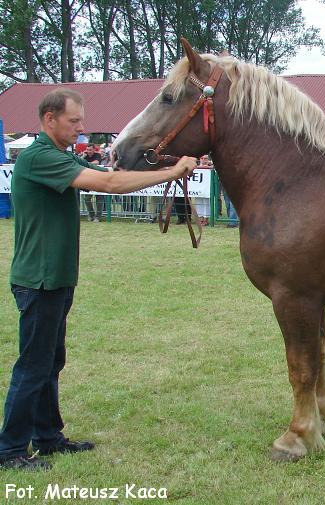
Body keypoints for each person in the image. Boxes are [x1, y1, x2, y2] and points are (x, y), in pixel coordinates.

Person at [0, 88, 197, 471]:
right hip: (39, 279)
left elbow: (113, 175)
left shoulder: (57, 156)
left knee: (50, 360)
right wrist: (172, 172)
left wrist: (158, 163)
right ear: (49, 119)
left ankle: (48, 437)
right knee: (34, 364)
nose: (81, 128)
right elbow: (107, 185)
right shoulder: (40, 157)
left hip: (53, 277)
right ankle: (9, 450)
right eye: (73, 121)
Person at [80, 143, 103, 222]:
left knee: (99, 198)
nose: (88, 151)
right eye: (87, 149)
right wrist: (83, 156)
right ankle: (91, 215)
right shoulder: (85, 156)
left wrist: (86, 164)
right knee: (87, 198)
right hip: (88, 179)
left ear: (94, 149)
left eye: (90, 150)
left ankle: (98, 217)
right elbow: (78, 162)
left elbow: (96, 162)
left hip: (98, 178)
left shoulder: (97, 155)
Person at [194, 155, 212, 225]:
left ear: (208, 159)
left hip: (207, 188)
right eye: (201, 158)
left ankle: (206, 219)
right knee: (198, 202)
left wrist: (209, 166)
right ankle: (200, 218)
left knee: (206, 202)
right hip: (198, 188)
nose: (203, 160)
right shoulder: (196, 167)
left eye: (205, 158)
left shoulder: (211, 167)